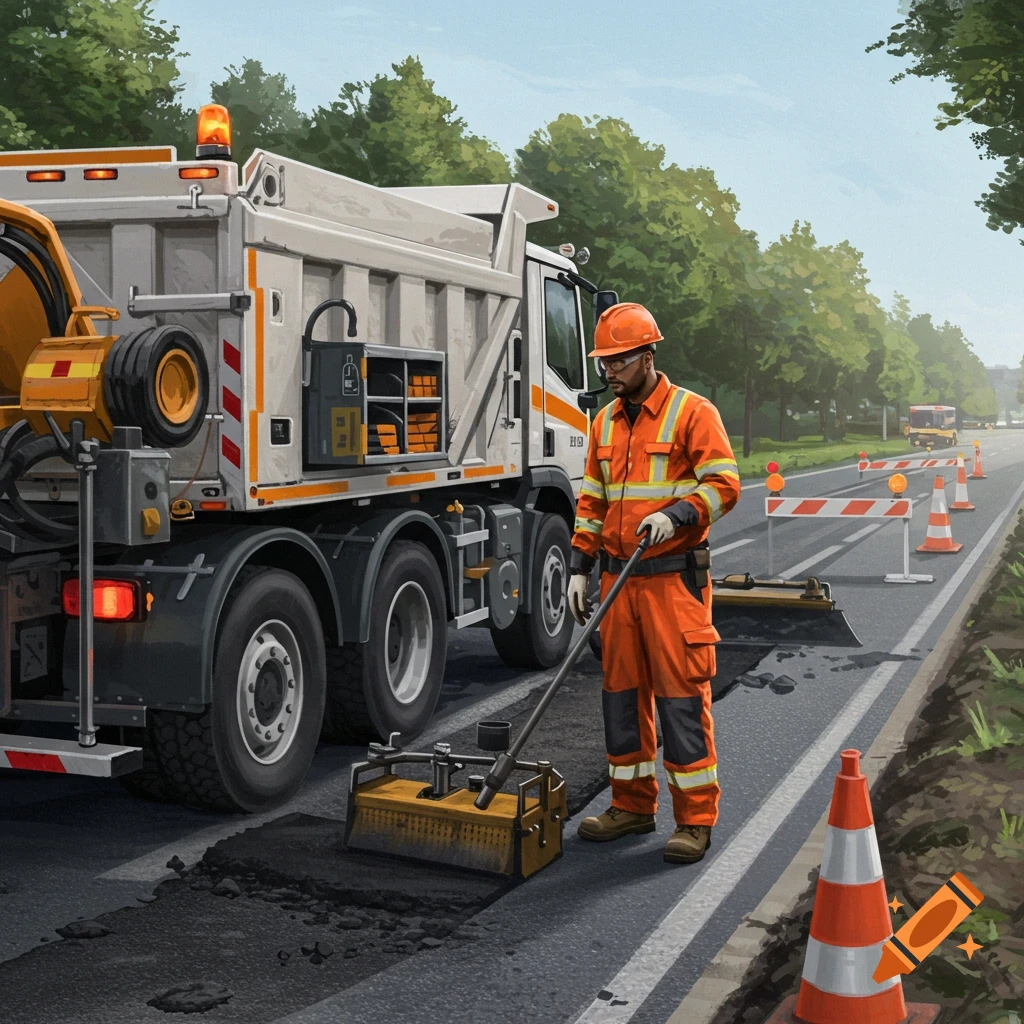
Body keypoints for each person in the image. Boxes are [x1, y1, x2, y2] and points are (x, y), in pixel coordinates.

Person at [567, 302, 740, 863]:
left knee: (681, 701)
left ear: (647, 355)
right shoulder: (603, 422)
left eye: (619, 361)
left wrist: (680, 514)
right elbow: (591, 500)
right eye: (605, 363)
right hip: (617, 584)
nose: (610, 372)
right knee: (620, 700)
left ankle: (694, 819)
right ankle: (632, 806)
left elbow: (725, 485)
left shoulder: (693, 412)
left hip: (671, 583)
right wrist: (578, 566)